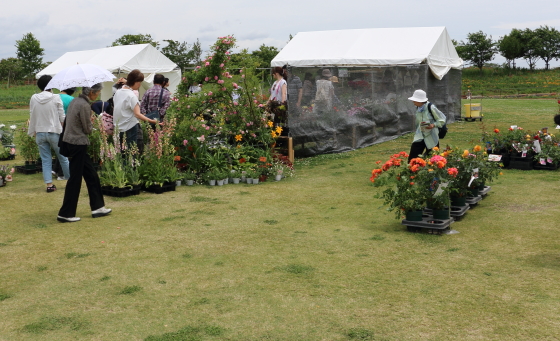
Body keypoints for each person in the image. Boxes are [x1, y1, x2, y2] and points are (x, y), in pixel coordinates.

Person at [58, 83, 111, 222]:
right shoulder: (84, 105)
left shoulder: (75, 100)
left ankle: (98, 207)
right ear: (92, 92)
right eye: (98, 92)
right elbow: (87, 129)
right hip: (78, 143)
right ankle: (66, 213)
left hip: (71, 141)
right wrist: (92, 122)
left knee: (92, 175)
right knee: (75, 179)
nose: (99, 94)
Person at [28, 75, 70, 193]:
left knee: (46, 160)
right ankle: (69, 181)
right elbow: (62, 117)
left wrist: (34, 130)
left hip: (40, 132)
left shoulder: (34, 98)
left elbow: (32, 114)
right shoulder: (56, 97)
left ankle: (49, 185)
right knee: (63, 158)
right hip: (54, 132)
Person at [113, 70, 158, 147]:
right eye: (140, 82)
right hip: (129, 127)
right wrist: (153, 121)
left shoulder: (118, 92)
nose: (139, 85)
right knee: (131, 152)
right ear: (137, 82)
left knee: (121, 152)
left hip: (118, 126)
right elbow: (137, 114)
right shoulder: (131, 96)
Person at [407, 89, 446, 162]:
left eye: (415, 100)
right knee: (413, 157)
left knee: (434, 158)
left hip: (431, 136)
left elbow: (442, 119)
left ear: (420, 101)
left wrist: (433, 125)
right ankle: (412, 172)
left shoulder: (431, 107)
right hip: (420, 135)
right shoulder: (418, 107)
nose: (413, 102)